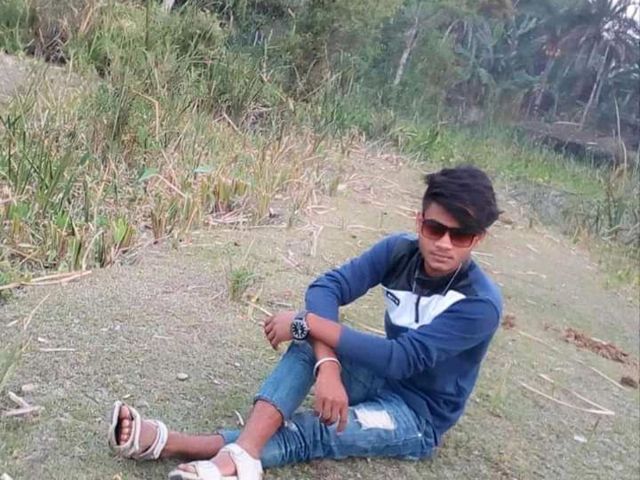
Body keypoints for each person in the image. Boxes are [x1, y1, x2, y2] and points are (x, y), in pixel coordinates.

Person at [107, 165, 503, 480]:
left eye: (461, 235)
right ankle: (242, 455)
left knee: (318, 431)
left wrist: (305, 321)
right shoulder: (400, 252)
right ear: (419, 221)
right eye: (435, 229)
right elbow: (329, 286)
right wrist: (327, 364)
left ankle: (177, 443)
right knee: (306, 345)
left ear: (479, 239)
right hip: (380, 377)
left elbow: (403, 358)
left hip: (417, 415)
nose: (444, 243)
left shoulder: (480, 303)